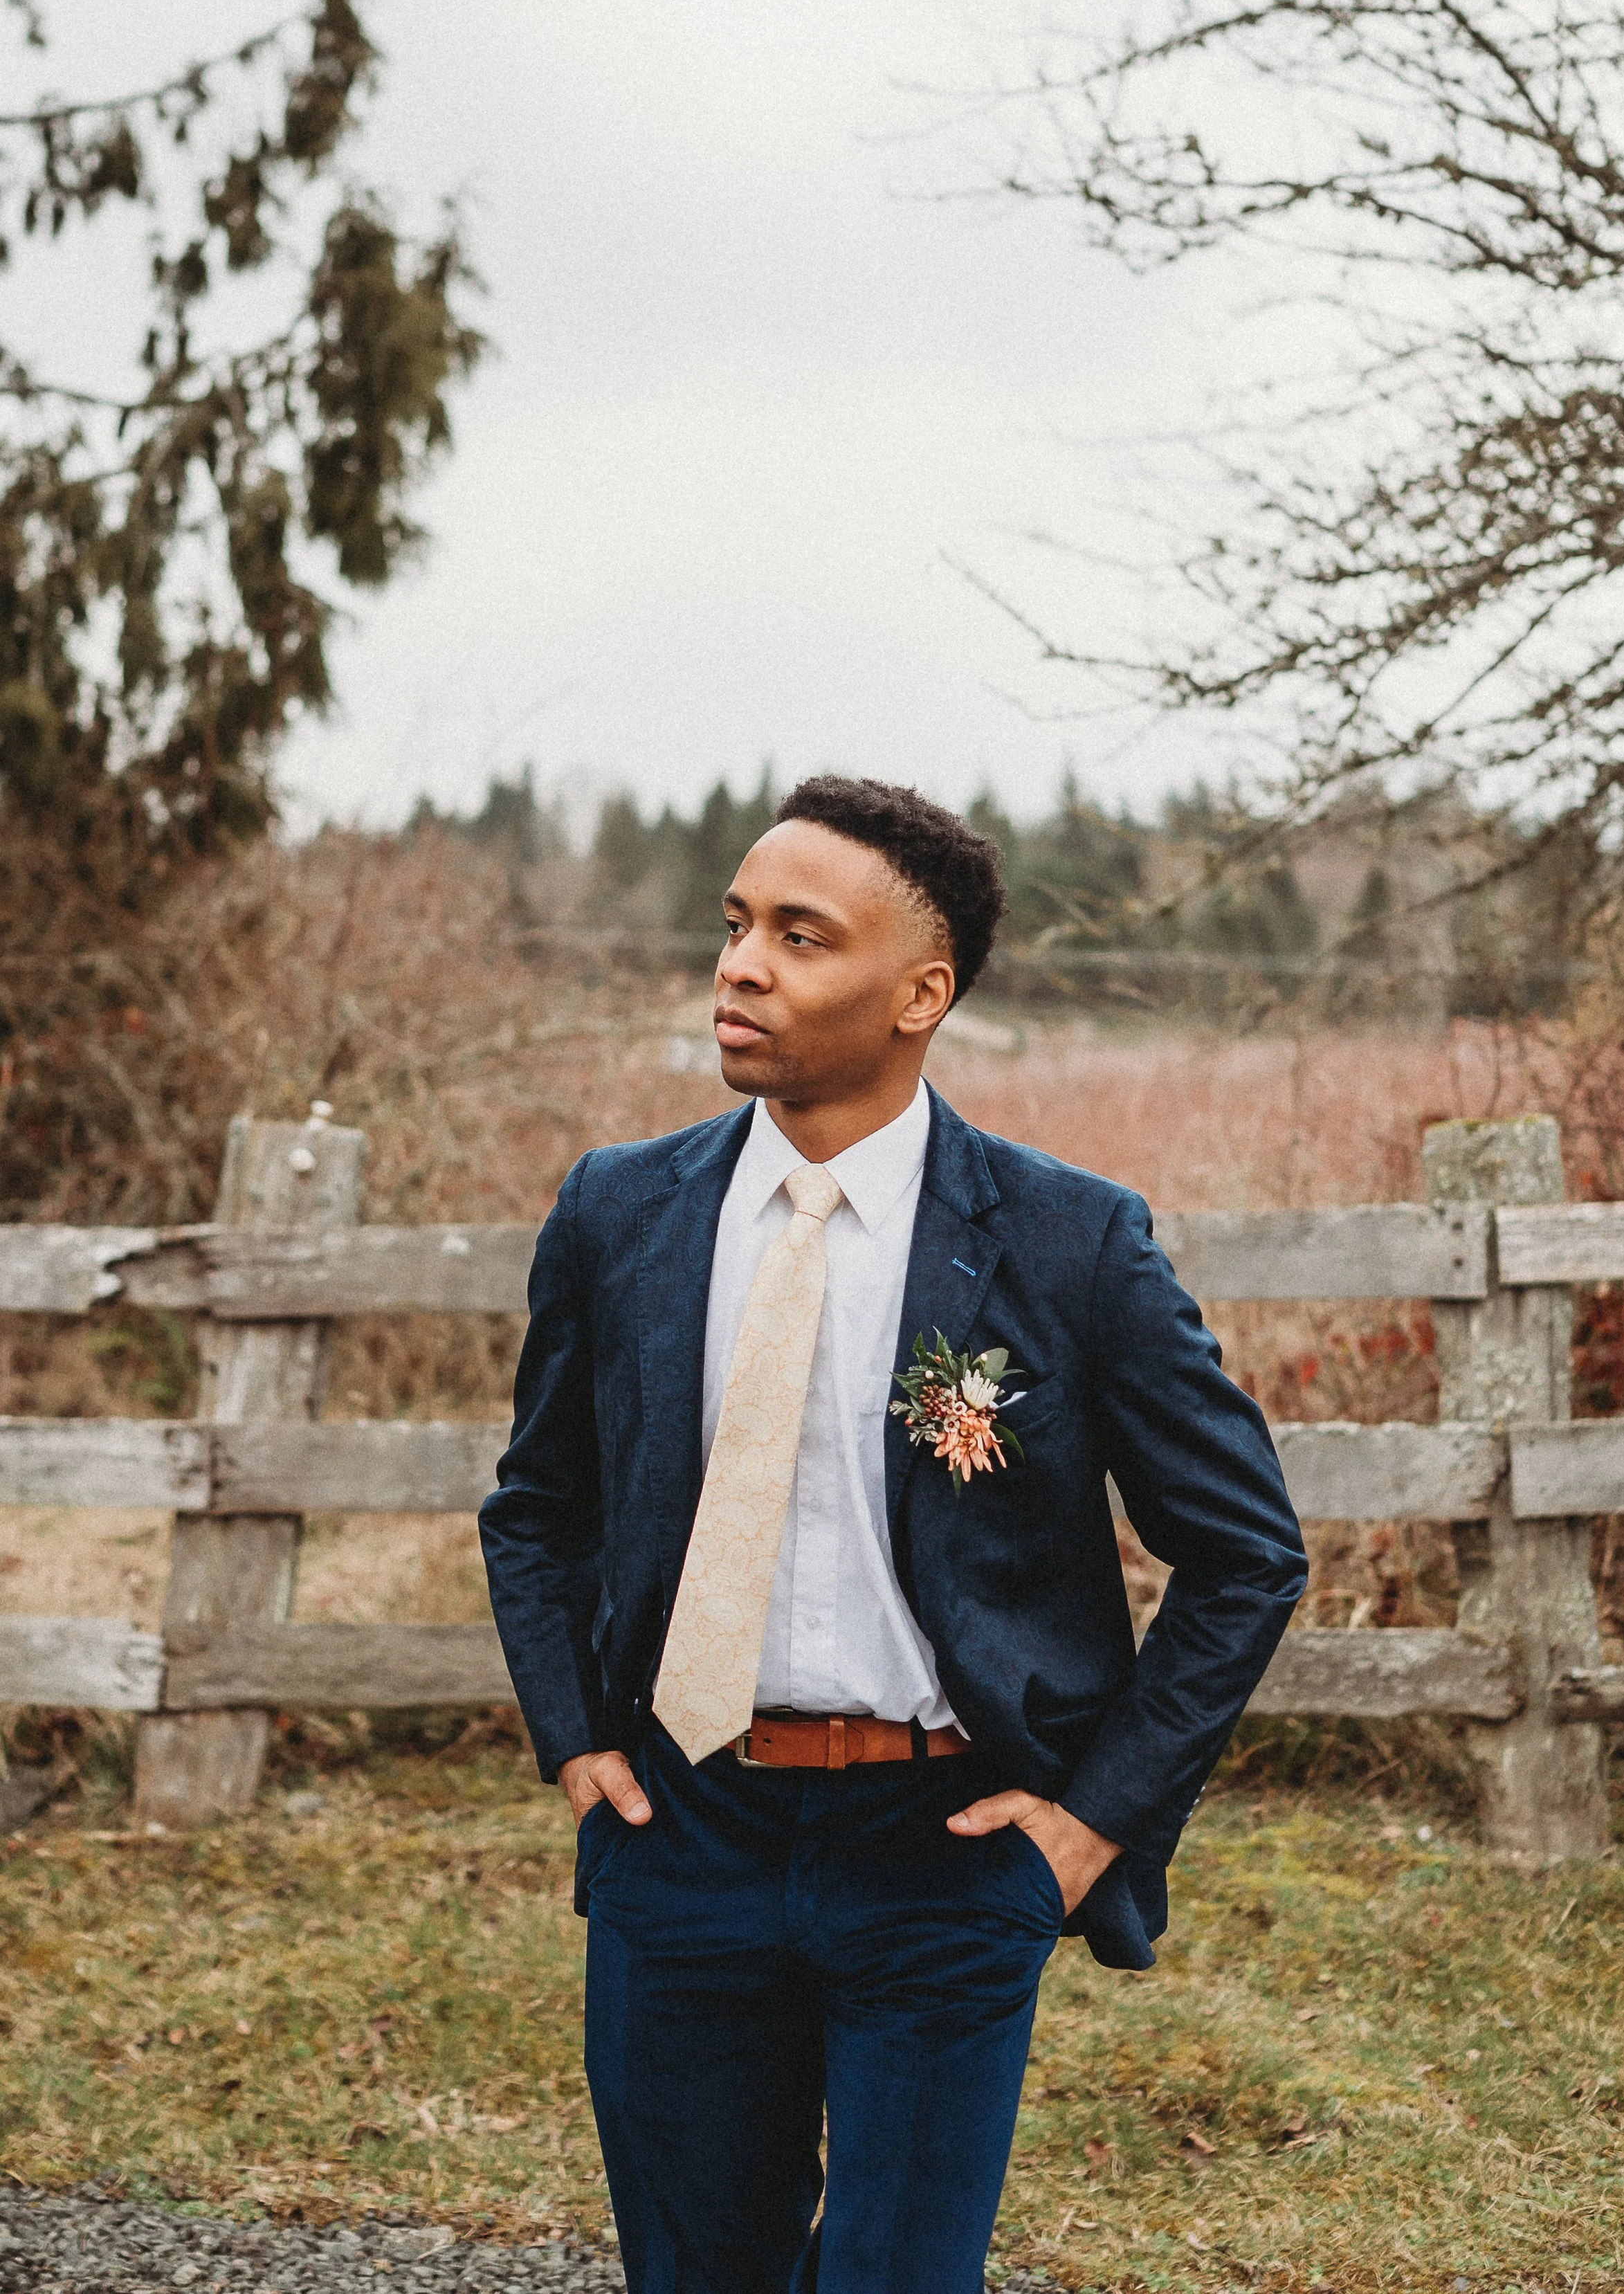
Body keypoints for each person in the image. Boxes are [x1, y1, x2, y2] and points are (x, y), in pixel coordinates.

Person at [480, 775, 1306, 2294]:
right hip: (682, 1839)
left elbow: (1246, 1552)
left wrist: (1087, 1825)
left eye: (799, 937)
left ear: (920, 992)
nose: (739, 966)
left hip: (945, 1855)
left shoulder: (1068, 1243)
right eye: (735, 926)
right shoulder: (617, 1214)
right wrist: (573, 1741)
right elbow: (538, 1505)